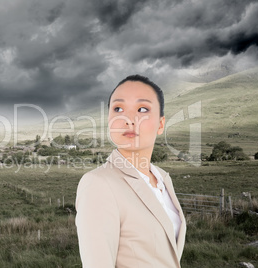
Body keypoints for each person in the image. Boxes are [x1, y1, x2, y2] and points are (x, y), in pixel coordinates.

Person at [75, 75, 186, 268]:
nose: (128, 119)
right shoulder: (98, 184)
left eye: (142, 109)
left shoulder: (163, 178)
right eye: (118, 109)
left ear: (161, 124)